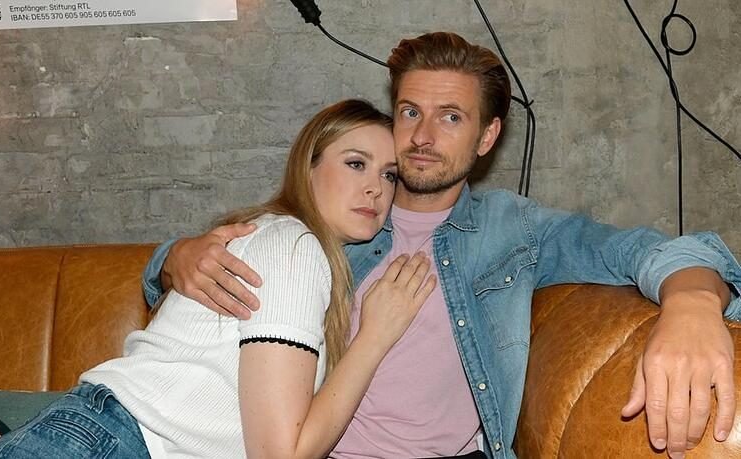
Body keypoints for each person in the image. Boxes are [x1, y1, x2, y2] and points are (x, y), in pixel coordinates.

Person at [143, 33, 741, 459]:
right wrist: (174, 259)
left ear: (487, 136)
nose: (422, 137)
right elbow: (236, 254)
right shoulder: (338, 220)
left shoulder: (516, 230)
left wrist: (691, 305)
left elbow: (649, 251)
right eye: (410, 112)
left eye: (451, 117)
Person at [0, 99, 438, 458]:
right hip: (108, 442)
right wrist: (375, 336)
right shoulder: (293, 246)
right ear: (308, 169)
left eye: (390, 175)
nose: (376, 188)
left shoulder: (287, 244)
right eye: (355, 163)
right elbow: (281, 454)